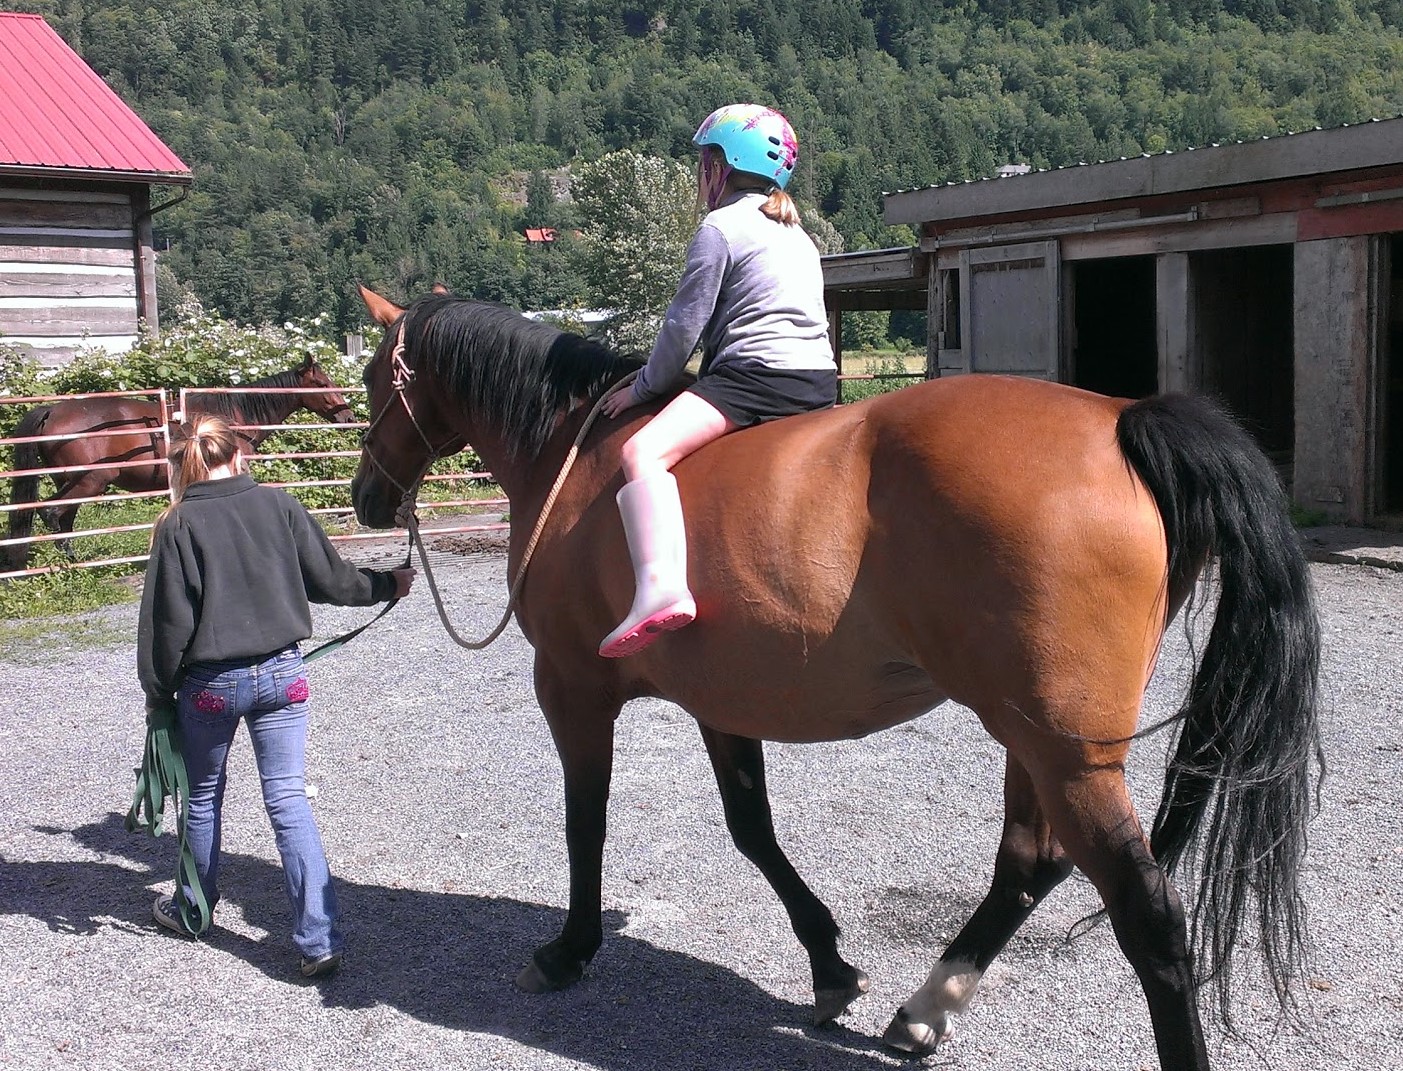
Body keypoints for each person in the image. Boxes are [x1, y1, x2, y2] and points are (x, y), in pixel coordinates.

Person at [136, 414, 414, 978]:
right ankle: (318, 939)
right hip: (284, 677)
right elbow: (334, 582)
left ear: (185, 463)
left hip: (210, 687)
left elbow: (167, 624)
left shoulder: (178, 524)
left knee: (204, 797)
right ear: (239, 454)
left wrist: (159, 694)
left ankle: (193, 908)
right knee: (288, 800)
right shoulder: (279, 505)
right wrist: (387, 583)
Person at [598, 102, 836, 658]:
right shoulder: (796, 233)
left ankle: (660, 591)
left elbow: (683, 328)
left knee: (640, 454)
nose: (699, 174)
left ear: (723, 166)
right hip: (818, 382)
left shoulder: (721, 227)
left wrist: (642, 390)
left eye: (704, 161)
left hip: (753, 378)